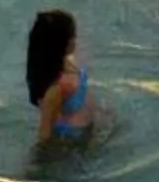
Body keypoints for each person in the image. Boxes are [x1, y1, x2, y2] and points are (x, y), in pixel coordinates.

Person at [25, 8, 105, 146]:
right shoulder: (56, 89)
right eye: (72, 37)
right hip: (72, 142)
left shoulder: (70, 63)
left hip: (88, 131)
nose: (75, 40)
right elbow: (44, 135)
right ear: (61, 44)